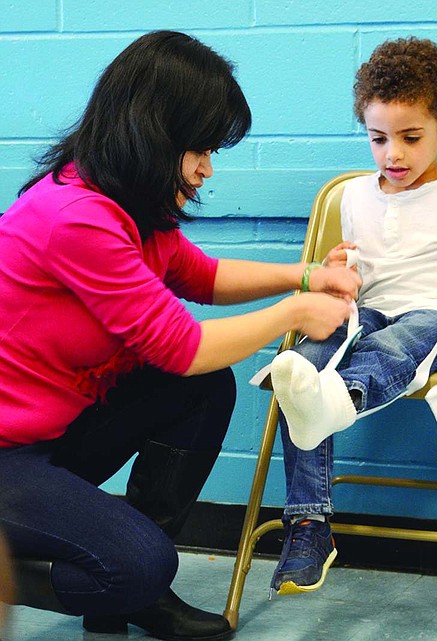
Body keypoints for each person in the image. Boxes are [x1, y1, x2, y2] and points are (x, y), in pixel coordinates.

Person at [0, 30, 361, 641]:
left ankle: (126, 595)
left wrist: (308, 274)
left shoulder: (127, 202)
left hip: (50, 433)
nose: (206, 168)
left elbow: (200, 276)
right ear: (152, 132)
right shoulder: (75, 217)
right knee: (140, 563)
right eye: (199, 148)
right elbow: (181, 346)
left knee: (199, 391)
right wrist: (295, 312)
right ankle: (122, 580)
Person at [269, 36, 437, 596]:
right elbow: (365, 279)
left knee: (400, 339)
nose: (393, 154)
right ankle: (309, 525)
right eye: (377, 138)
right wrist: (338, 268)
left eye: (410, 137)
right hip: (370, 313)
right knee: (303, 360)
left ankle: (336, 398)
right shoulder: (353, 196)